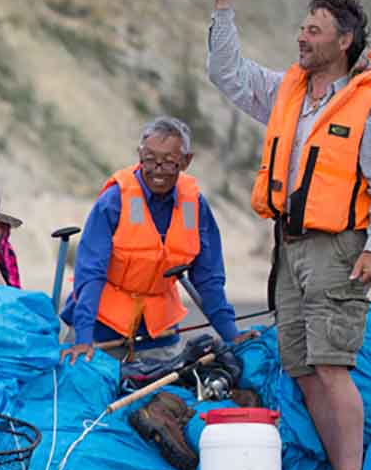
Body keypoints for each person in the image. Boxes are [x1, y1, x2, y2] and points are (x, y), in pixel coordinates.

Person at [206, 0, 371, 470]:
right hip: (288, 247)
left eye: (314, 30)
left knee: (331, 363)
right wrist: (224, 1)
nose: (302, 36)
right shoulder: (286, 91)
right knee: (302, 367)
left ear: (344, 41)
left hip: (339, 248)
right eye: (302, 26)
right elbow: (225, 72)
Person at [58, 116, 249, 365]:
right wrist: (83, 338)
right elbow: (90, 273)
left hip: (159, 333)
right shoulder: (114, 201)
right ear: (139, 155)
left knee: (168, 401)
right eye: (149, 159)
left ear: (186, 161)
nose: (157, 169)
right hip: (100, 328)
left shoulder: (195, 206)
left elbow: (208, 279)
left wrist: (231, 335)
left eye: (169, 162)